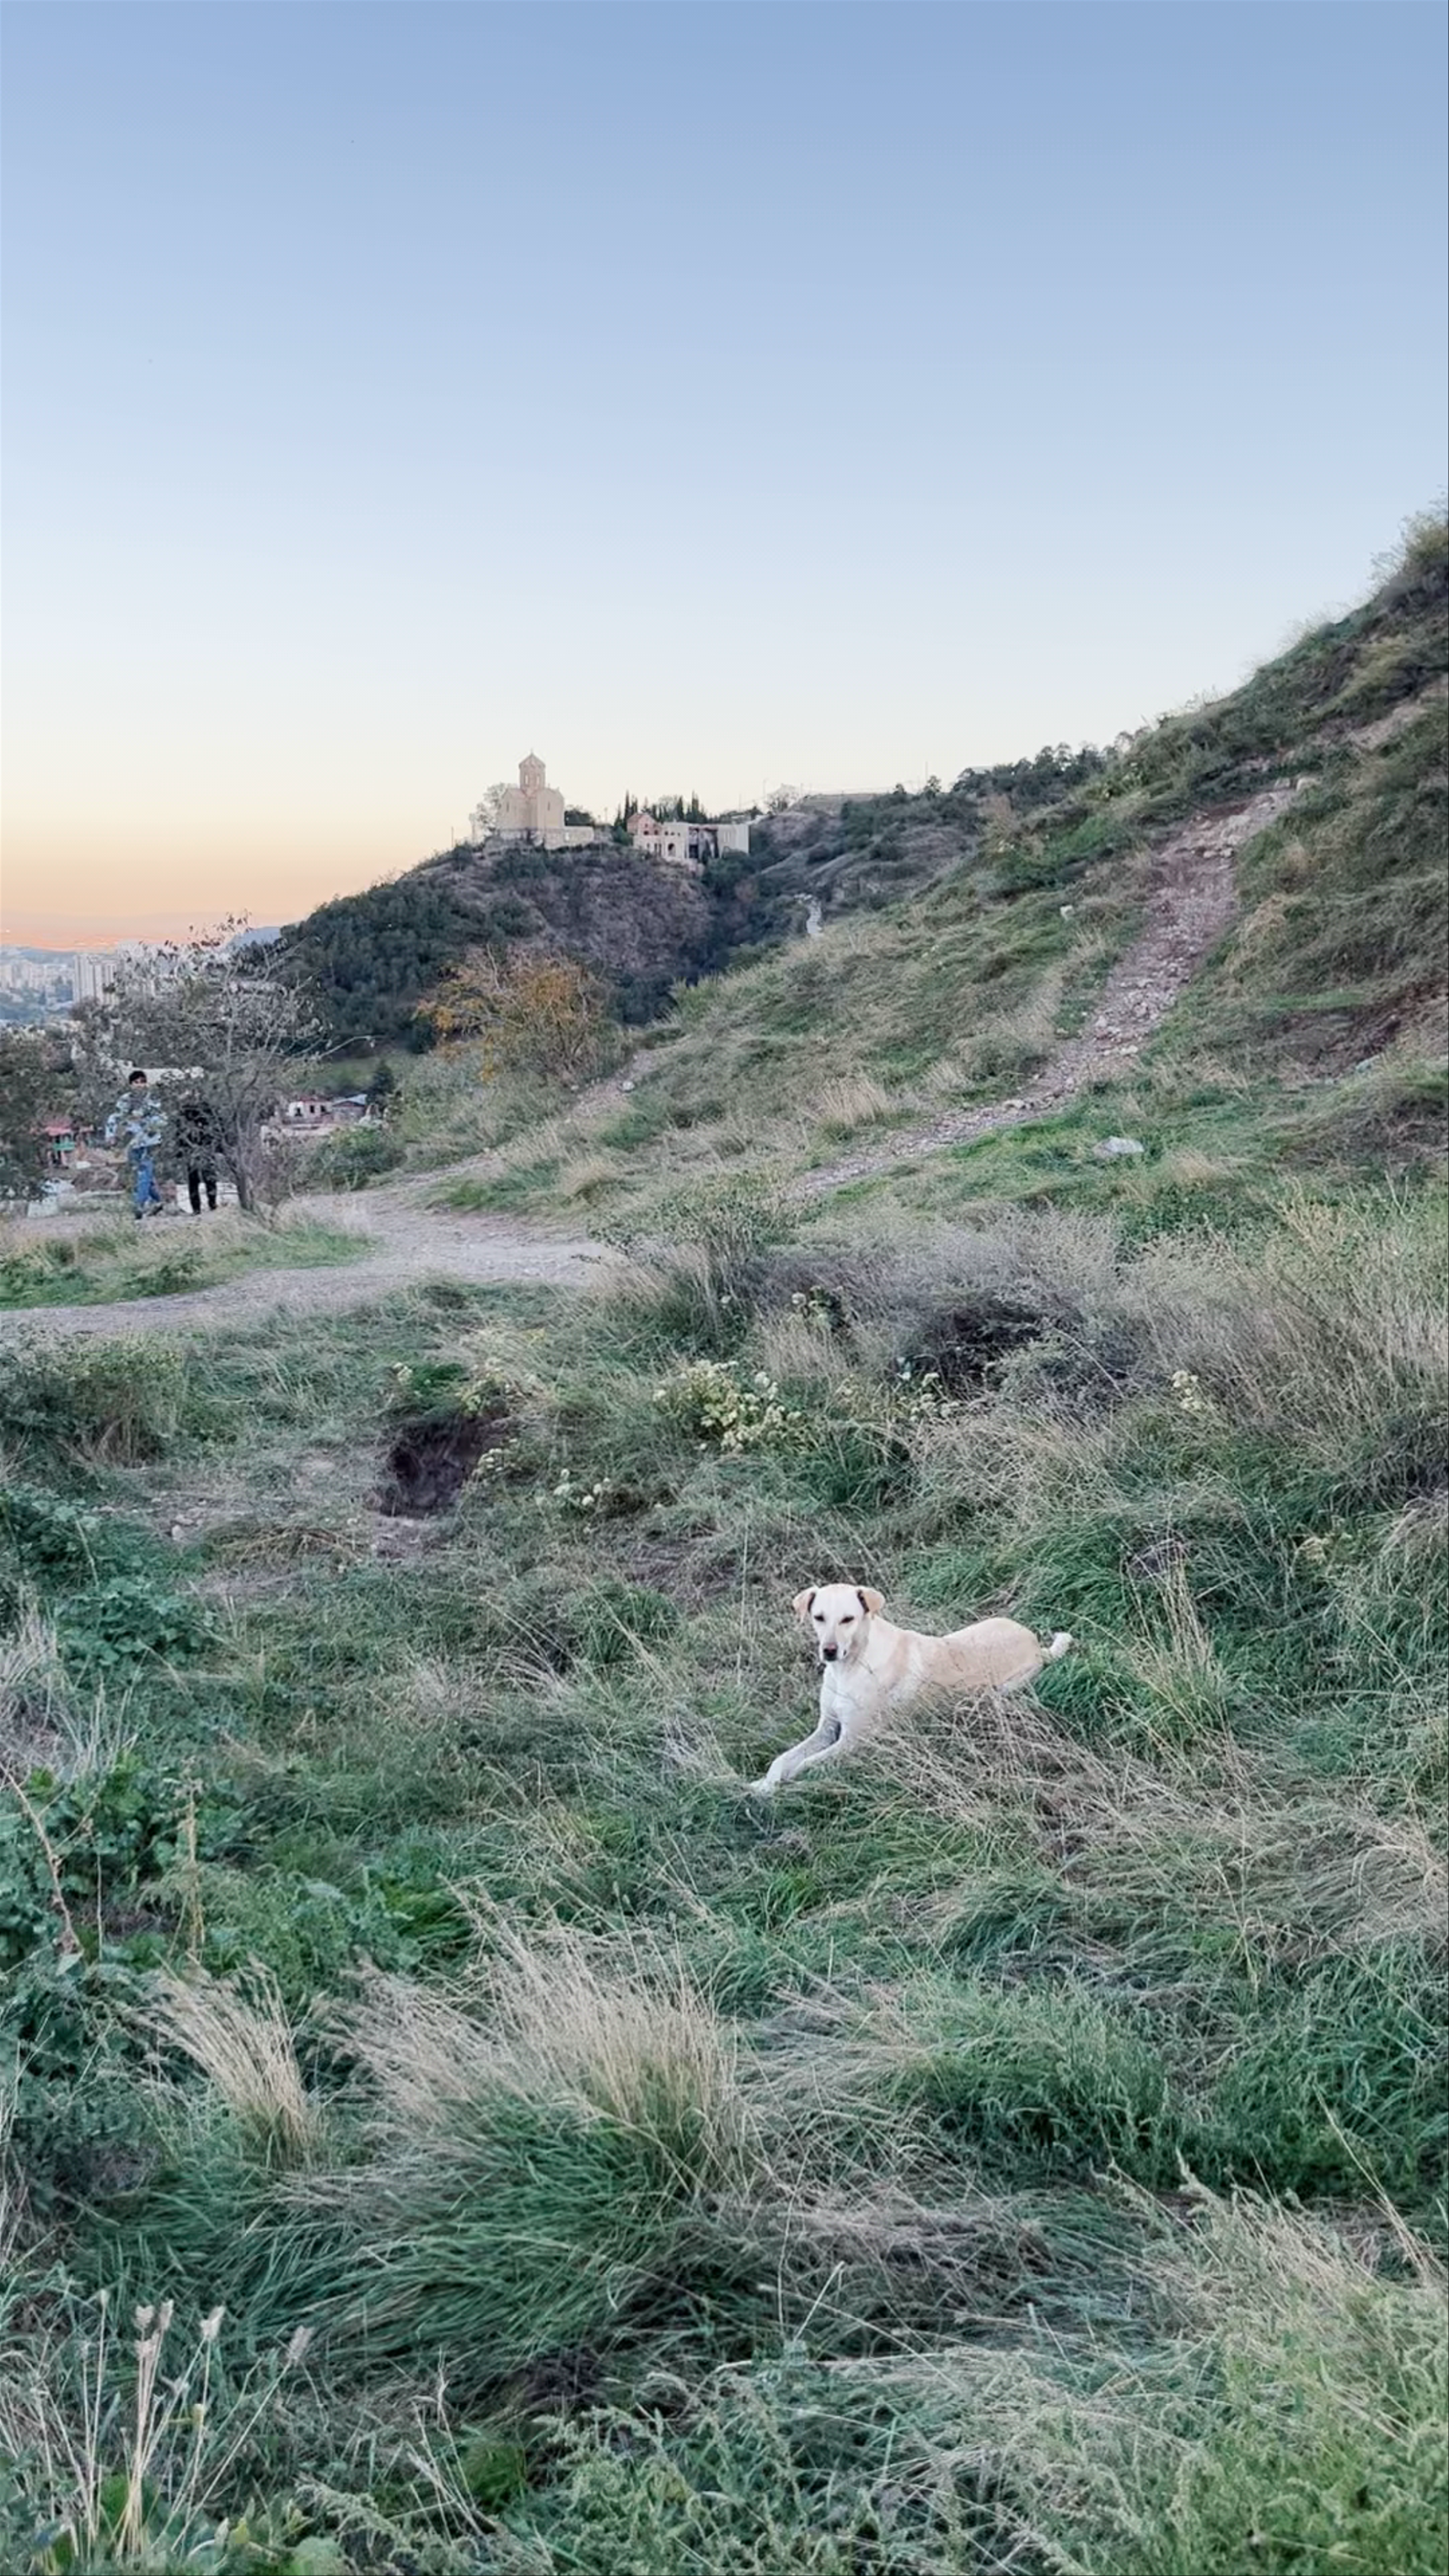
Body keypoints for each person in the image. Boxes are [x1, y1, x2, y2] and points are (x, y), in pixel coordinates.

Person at [105, 1068, 166, 1219]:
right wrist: (111, 1135)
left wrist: (149, 1123)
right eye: (136, 1082)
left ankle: (139, 1205)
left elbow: (160, 1119)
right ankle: (158, 1201)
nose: (140, 1085)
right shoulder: (125, 1100)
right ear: (131, 1084)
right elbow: (117, 1117)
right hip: (133, 1142)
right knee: (145, 1173)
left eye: (142, 1082)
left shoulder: (153, 1099)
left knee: (143, 1172)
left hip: (150, 1141)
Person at [175, 1091, 222, 1213]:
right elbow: (180, 1132)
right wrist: (181, 1149)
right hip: (191, 1148)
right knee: (194, 1179)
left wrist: (214, 1146)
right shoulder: (183, 1113)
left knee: (208, 1177)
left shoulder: (206, 1110)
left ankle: (212, 1203)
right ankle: (197, 1208)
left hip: (205, 1148)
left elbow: (214, 1128)